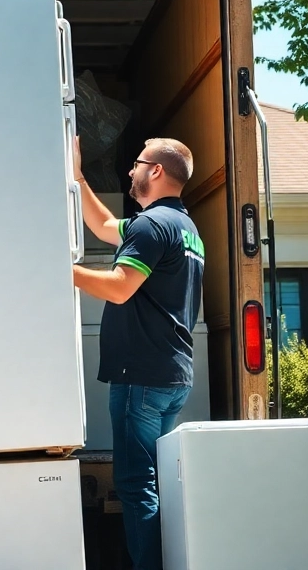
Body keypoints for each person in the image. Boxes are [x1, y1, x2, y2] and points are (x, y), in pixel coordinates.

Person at [72, 136, 204, 570]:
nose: (130, 171)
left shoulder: (151, 226)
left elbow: (120, 286)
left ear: (157, 171)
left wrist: (56, 268)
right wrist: (77, 178)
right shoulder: (182, 227)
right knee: (159, 482)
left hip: (141, 376)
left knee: (135, 485)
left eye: (136, 163)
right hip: (171, 374)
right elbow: (106, 226)